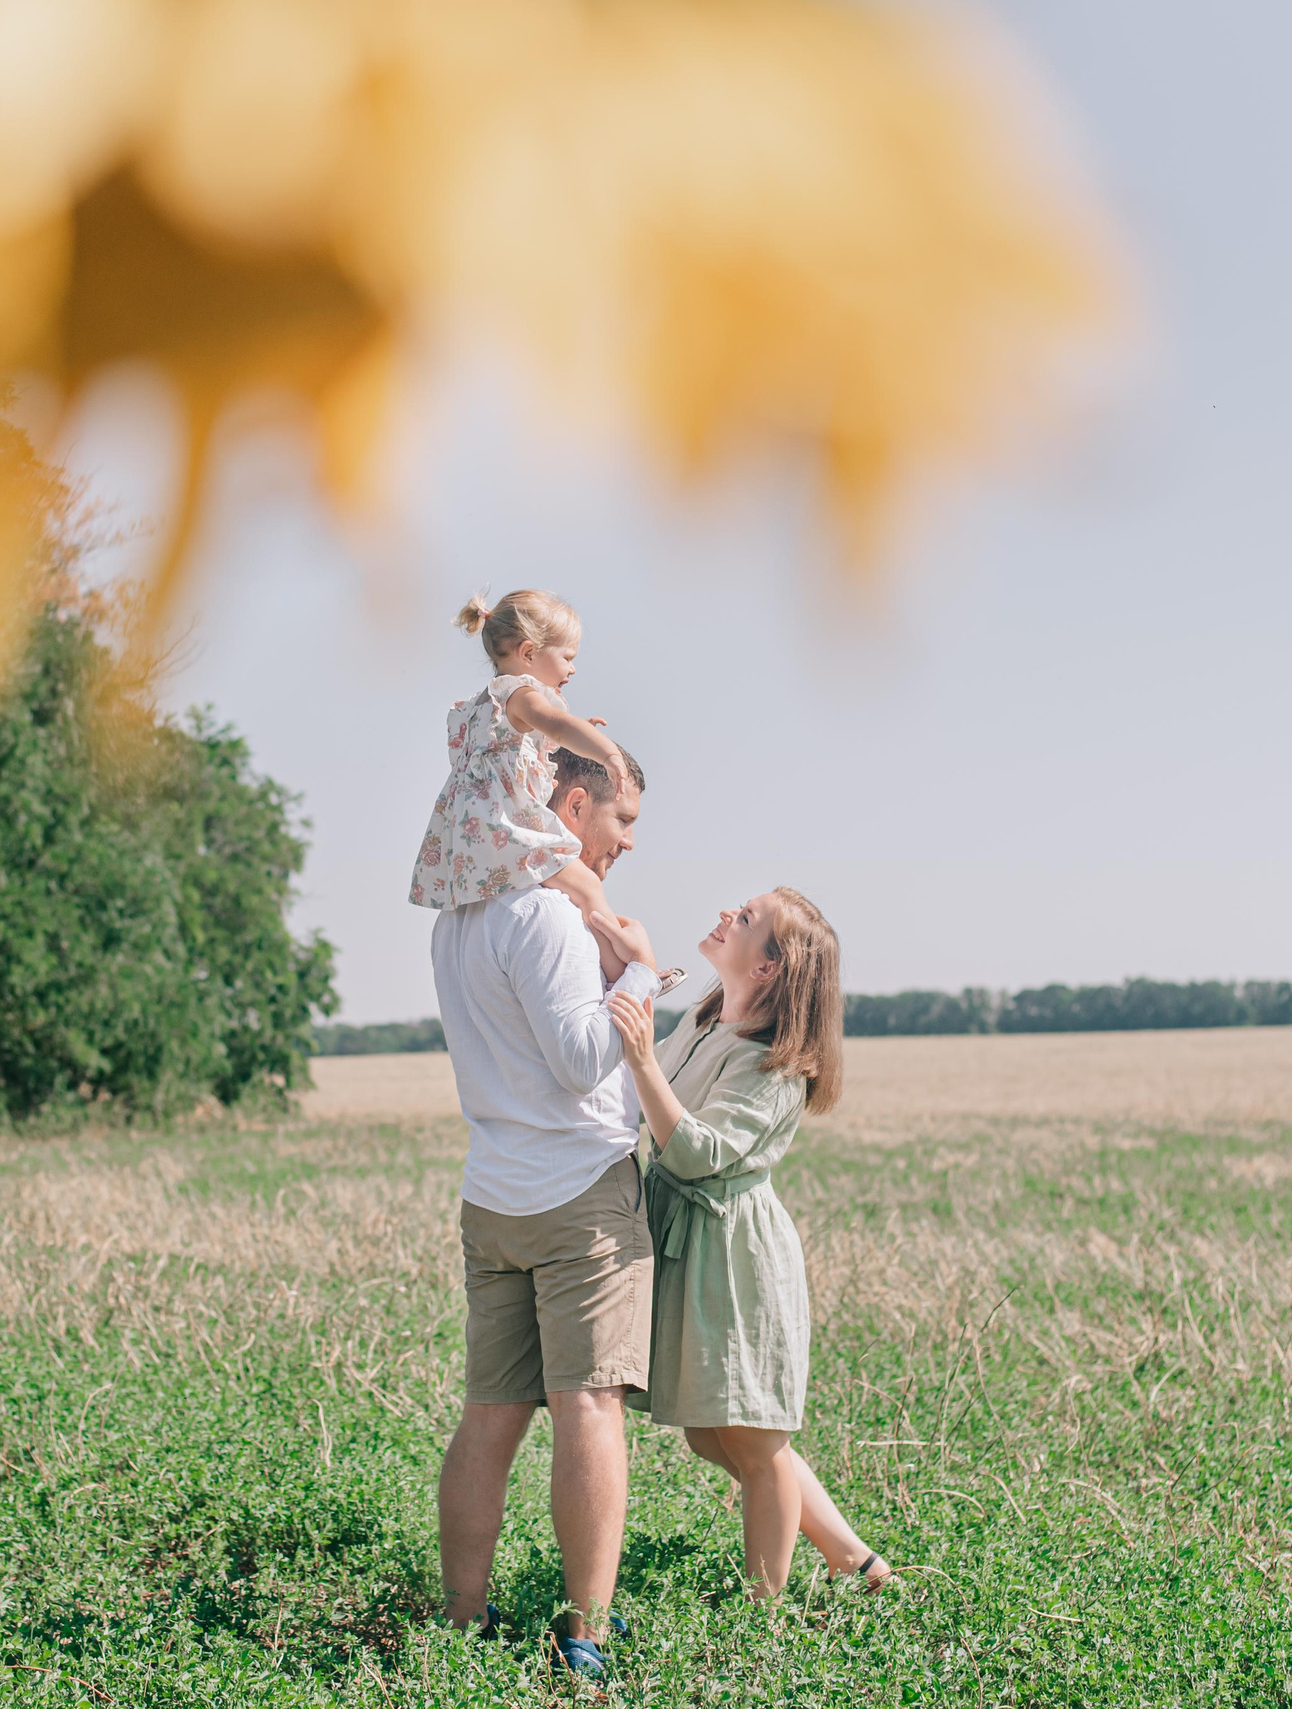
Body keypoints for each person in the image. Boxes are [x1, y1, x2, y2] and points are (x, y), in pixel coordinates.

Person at [431, 743, 664, 1680]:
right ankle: (584, 1639)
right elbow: (578, 1059)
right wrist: (642, 971)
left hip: (492, 1193)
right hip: (579, 1198)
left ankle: (461, 1617)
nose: (626, 843)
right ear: (571, 804)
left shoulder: (457, 913)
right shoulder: (548, 919)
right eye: (623, 820)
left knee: (490, 1415)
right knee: (589, 1408)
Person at [605, 888, 894, 1599]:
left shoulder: (778, 1064)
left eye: (748, 920)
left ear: (768, 967)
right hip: (688, 1239)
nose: (728, 912)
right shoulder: (706, 1020)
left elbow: (697, 1150)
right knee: (709, 1430)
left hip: (734, 1256)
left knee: (755, 1438)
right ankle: (854, 1558)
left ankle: (763, 1617)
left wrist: (641, 1060)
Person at [409, 590, 664, 989]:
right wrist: (607, 752)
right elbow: (557, 726)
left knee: (580, 891)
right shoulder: (522, 695)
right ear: (529, 653)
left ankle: (613, 973)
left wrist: (574, 727)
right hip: (509, 830)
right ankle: (629, 978)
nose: (573, 668)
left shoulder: (484, 705)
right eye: (568, 657)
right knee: (588, 888)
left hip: (476, 837)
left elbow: (538, 737)